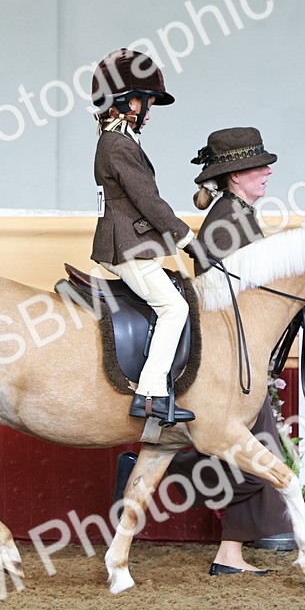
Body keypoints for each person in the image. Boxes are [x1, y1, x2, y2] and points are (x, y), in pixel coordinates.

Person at [116, 127, 294, 576]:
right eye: (259, 166)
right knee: (253, 450)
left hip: (236, 357)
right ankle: (225, 545)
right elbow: (228, 295)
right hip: (222, 361)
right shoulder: (226, 221)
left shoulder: (238, 215)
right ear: (236, 175)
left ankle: (229, 553)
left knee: (258, 448)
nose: (268, 171)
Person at [89, 48, 210, 426]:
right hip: (127, 245)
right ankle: (150, 394)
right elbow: (149, 202)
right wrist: (190, 241)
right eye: (144, 101)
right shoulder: (119, 145)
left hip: (132, 241)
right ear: (124, 101)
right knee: (175, 308)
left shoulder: (118, 141)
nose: (148, 111)